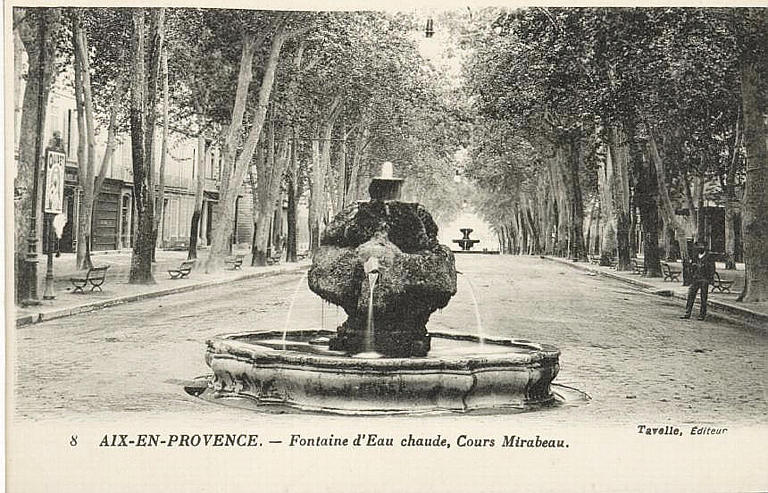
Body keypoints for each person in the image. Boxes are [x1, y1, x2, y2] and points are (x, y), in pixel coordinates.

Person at [681, 242, 715, 320]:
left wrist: (710, 279)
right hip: (695, 278)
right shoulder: (695, 256)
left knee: (703, 297)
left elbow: (712, 268)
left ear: (705, 248)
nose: (700, 248)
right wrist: (692, 268)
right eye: (698, 247)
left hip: (704, 279)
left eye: (701, 246)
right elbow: (691, 266)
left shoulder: (709, 257)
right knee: (691, 295)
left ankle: (702, 314)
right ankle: (687, 312)